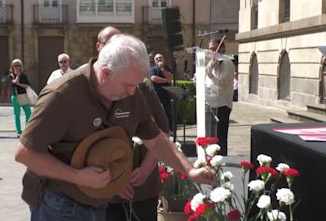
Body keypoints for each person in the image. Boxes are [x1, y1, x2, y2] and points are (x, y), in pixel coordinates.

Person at [15, 34, 215, 221]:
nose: (132, 92)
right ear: (105, 73)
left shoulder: (131, 92)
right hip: (58, 204)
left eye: (136, 85)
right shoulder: (61, 95)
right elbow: (25, 153)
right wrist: (77, 176)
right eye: (128, 85)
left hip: (98, 203)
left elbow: (155, 139)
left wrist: (189, 171)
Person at [97, 26, 169, 221]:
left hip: (143, 188)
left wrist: (146, 168)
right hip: (104, 193)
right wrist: (114, 180)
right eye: (109, 44)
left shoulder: (141, 87)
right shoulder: (88, 88)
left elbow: (163, 131)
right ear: (99, 48)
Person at [205, 39, 235, 156]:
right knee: (211, 136)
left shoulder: (227, 63)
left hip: (222, 104)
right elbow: (209, 83)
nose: (211, 51)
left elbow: (223, 84)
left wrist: (210, 75)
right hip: (210, 103)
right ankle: (211, 157)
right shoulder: (212, 62)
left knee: (220, 137)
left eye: (214, 49)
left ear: (222, 49)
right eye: (210, 49)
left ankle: (221, 159)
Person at [150, 53, 174, 131]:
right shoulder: (153, 69)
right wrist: (166, 80)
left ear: (164, 60)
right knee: (155, 112)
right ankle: (156, 130)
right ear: (155, 61)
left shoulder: (167, 68)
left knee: (168, 112)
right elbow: (153, 78)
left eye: (160, 58)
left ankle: (170, 130)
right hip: (156, 94)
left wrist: (162, 69)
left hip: (166, 94)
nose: (159, 59)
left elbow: (170, 77)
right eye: (157, 59)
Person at [9, 59, 31, 138]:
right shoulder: (11, 76)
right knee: (17, 115)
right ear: (12, 67)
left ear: (21, 67)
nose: (17, 67)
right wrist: (17, 76)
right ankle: (18, 131)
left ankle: (27, 130)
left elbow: (27, 85)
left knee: (28, 113)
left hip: (23, 96)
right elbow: (14, 83)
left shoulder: (24, 76)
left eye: (18, 65)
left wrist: (19, 83)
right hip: (15, 96)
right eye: (15, 65)